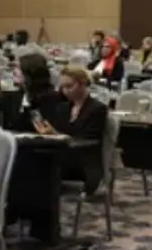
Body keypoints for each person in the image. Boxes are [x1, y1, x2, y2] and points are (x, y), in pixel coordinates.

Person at [34, 66, 109, 194]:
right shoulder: (62, 108)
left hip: (84, 164)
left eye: (69, 86)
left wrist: (56, 135)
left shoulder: (97, 109)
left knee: (40, 166)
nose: (65, 91)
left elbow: (89, 141)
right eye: (63, 87)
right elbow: (59, 135)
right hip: (64, 157)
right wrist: (49, 134)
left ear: (83, 84)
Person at [10, 53, 62, 130]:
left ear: (31, 71)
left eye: (18, 68)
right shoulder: (16, 96)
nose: (14, 71)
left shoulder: (51, 98)